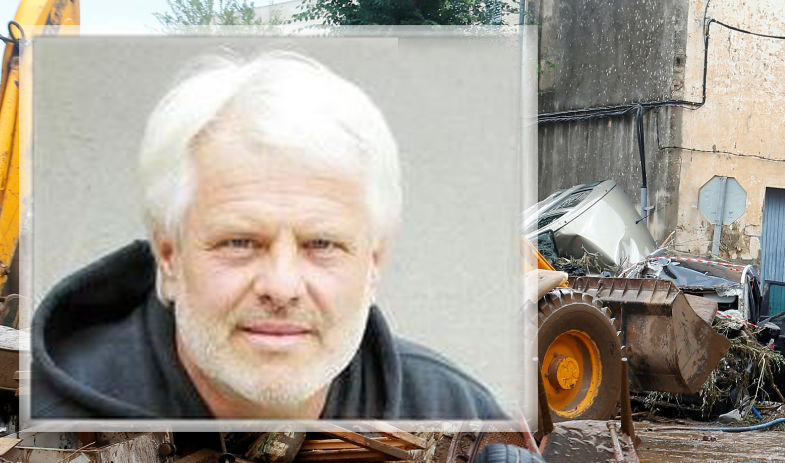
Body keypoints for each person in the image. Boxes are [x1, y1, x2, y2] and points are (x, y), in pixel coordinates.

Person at [29, 51, 505, 422]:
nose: (281, 287)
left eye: (321, 244)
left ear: (374, 264)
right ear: (169, 257)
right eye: (240, 243)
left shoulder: (463, 417)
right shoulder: (46, 427)